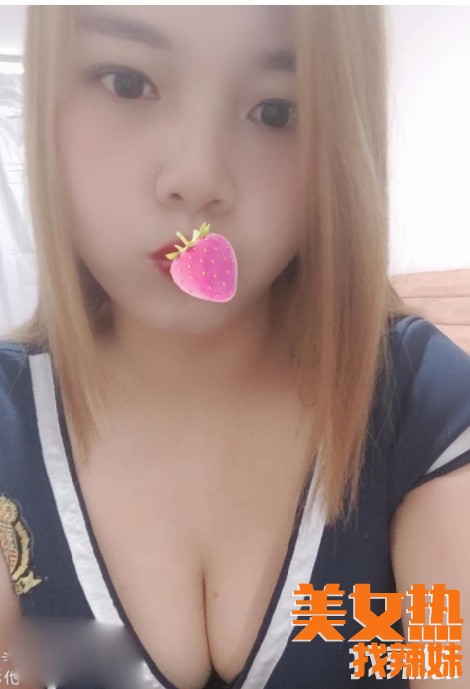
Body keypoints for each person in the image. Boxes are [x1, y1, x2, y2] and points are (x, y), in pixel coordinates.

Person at [0, 6, 469, 689]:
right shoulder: (10, 427)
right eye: (127, 83)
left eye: (276, 112)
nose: (198, 177)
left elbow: (446, 655)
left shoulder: (421, 405)